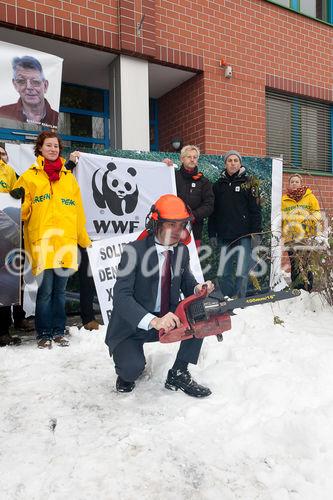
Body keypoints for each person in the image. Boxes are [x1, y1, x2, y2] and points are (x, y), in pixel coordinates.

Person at [105, 194, 214, 397]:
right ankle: (126, 370)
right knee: (132, 370)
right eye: (170, 224)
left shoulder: (181, 251)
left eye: (180, 225)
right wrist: (153, 321)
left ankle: (179, 372)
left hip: (168, 319)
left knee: (199, 312)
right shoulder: (134, 251)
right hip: (134, 325)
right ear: (156, 224)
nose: (176, 231)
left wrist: (197, 288)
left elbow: (186, 280)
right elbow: (121, 296)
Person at [11, 131, 91, 348]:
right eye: (49, 146)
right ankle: (43, 333)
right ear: (40, 148)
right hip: (42, 243)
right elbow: (22, 214)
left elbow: (78, 212)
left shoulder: (68, 179)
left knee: (60, 291)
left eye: (56, 146)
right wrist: (18, 201)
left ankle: (58, 331)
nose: (53, 149)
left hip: (65, 243)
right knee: (45, 292)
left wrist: (83, 239)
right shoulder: (29, 177)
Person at [208, 150, 262, 298]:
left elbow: (256, 210)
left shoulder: (250, 183)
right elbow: (213, 212)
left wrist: (256, 234)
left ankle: (239, 300)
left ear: (240, 163)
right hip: (225, 236)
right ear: (225, 163)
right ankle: (228, 297)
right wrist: (212, 234)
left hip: (244, 236)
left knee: (242, 272)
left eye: (235, 160)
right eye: (230, 160)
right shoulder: (218, 185)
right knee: (224, 272)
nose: (233, 163)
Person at [65, 152, 101, 331]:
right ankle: (85, 318)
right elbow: (61, 174)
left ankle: (92, 317)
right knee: (62, 280)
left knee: (94, 276)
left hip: (101, 234)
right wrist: (71, 163)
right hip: (77, 232)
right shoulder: (69, 174)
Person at [163, 145, 214, 247]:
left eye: (195, 157)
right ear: (182, 159)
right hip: (171, 230)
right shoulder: (172, 176)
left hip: (194, 232)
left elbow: (209, 205)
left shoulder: (204, 181)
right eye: (189, 157)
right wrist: (163, 167)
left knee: (191, 262)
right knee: (171, 261)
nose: (192, 159)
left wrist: (193, 216)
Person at [281, 174, 321, 291]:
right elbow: (281, 219)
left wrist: (311, 227)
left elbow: (317, 214)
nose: (294, 183)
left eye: (297, 181)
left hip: (306, 236)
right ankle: (296, 290)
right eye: (292, 181)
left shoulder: (310, 197)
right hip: (291, 238)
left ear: (301, 183)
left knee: (305, 264)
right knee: (294, 265)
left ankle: (307, 289)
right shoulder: (284, 200)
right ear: (289, 184)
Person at [0, 56, 58, 127]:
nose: (29, 87)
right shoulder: (3, 113)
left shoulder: (57, 118)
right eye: (21, 81)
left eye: (35, 81)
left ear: (45, 86)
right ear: (15, 85)